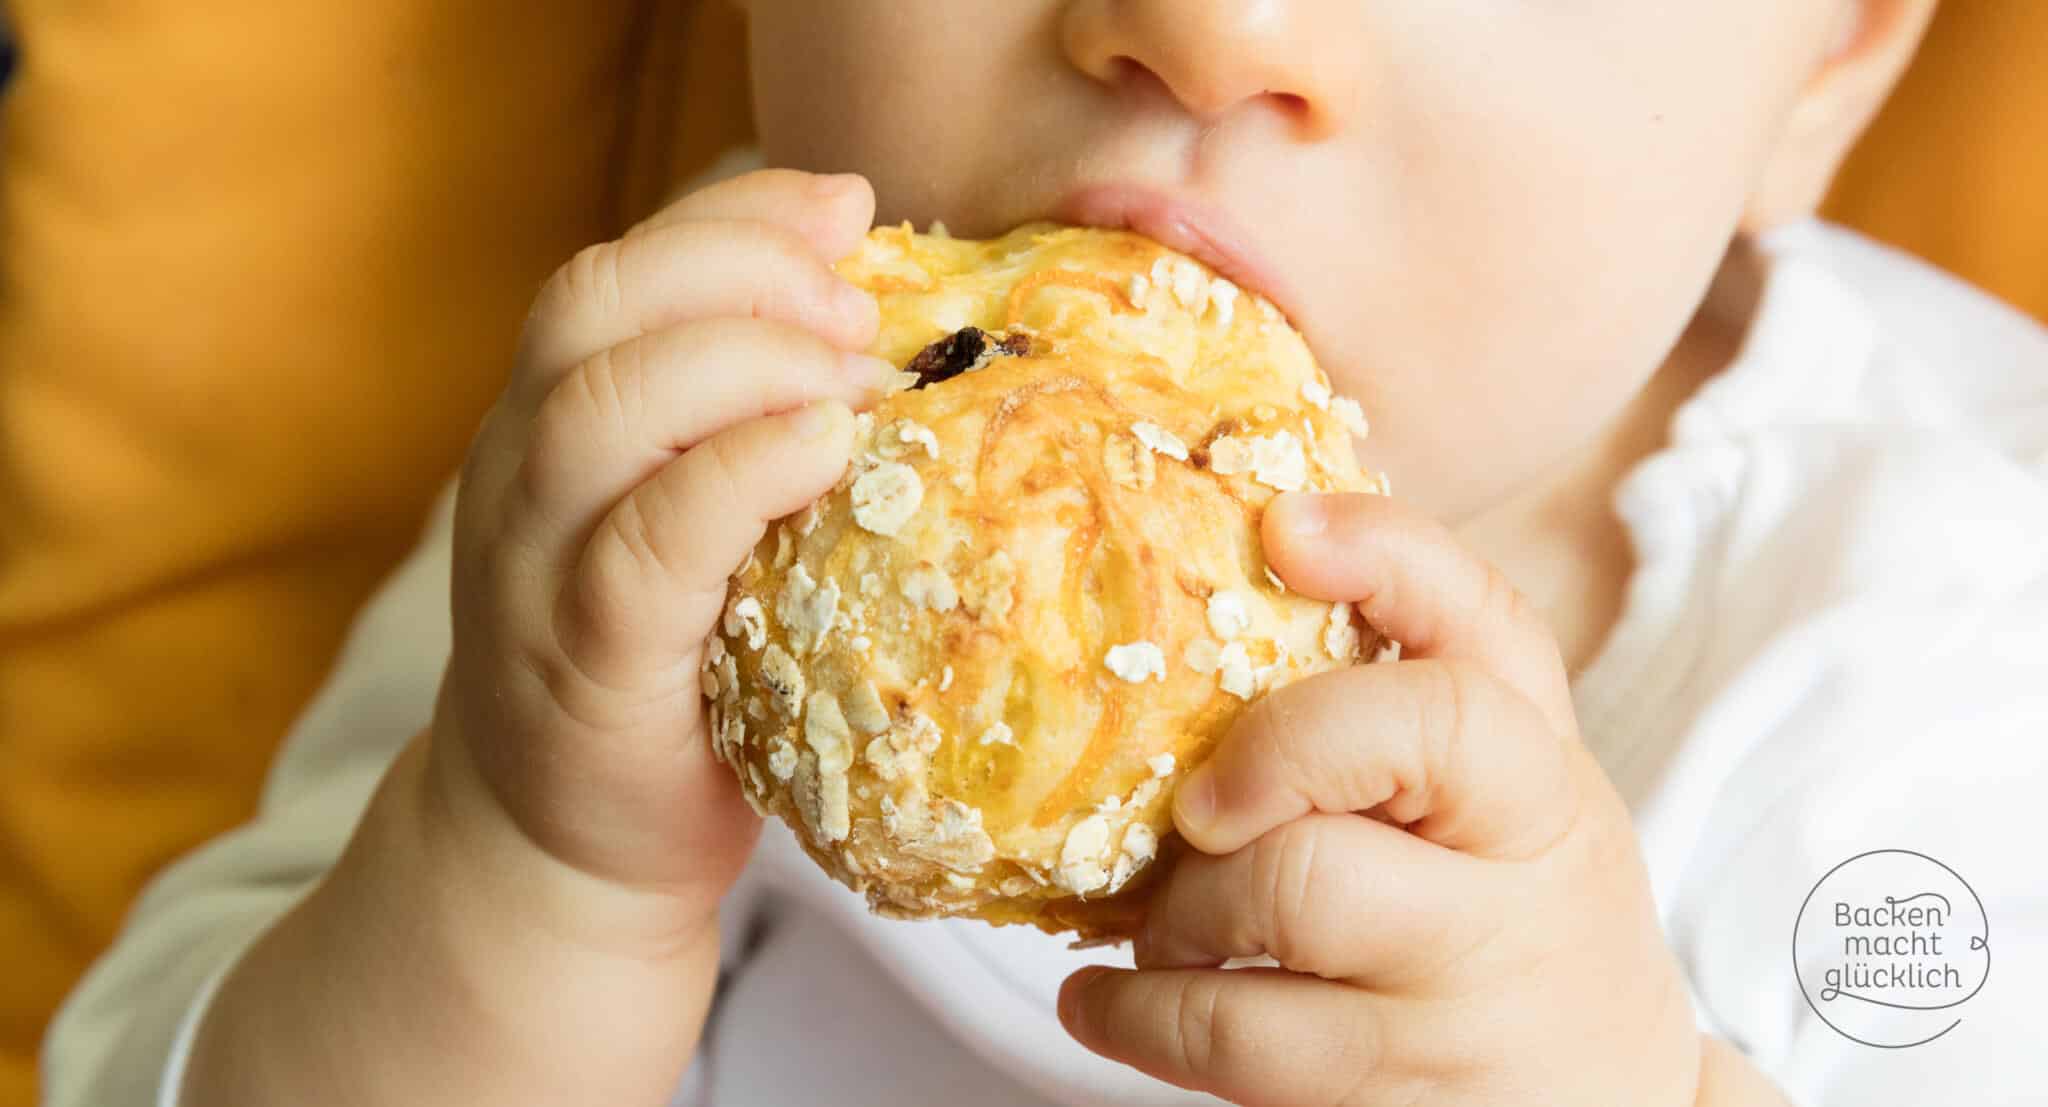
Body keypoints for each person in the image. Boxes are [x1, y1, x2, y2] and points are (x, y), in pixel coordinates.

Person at [43, 1, 2048, 1103]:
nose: (1197, 28)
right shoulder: (694, 437)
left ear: (1830, 61)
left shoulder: (1950, 635)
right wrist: (527, 855)